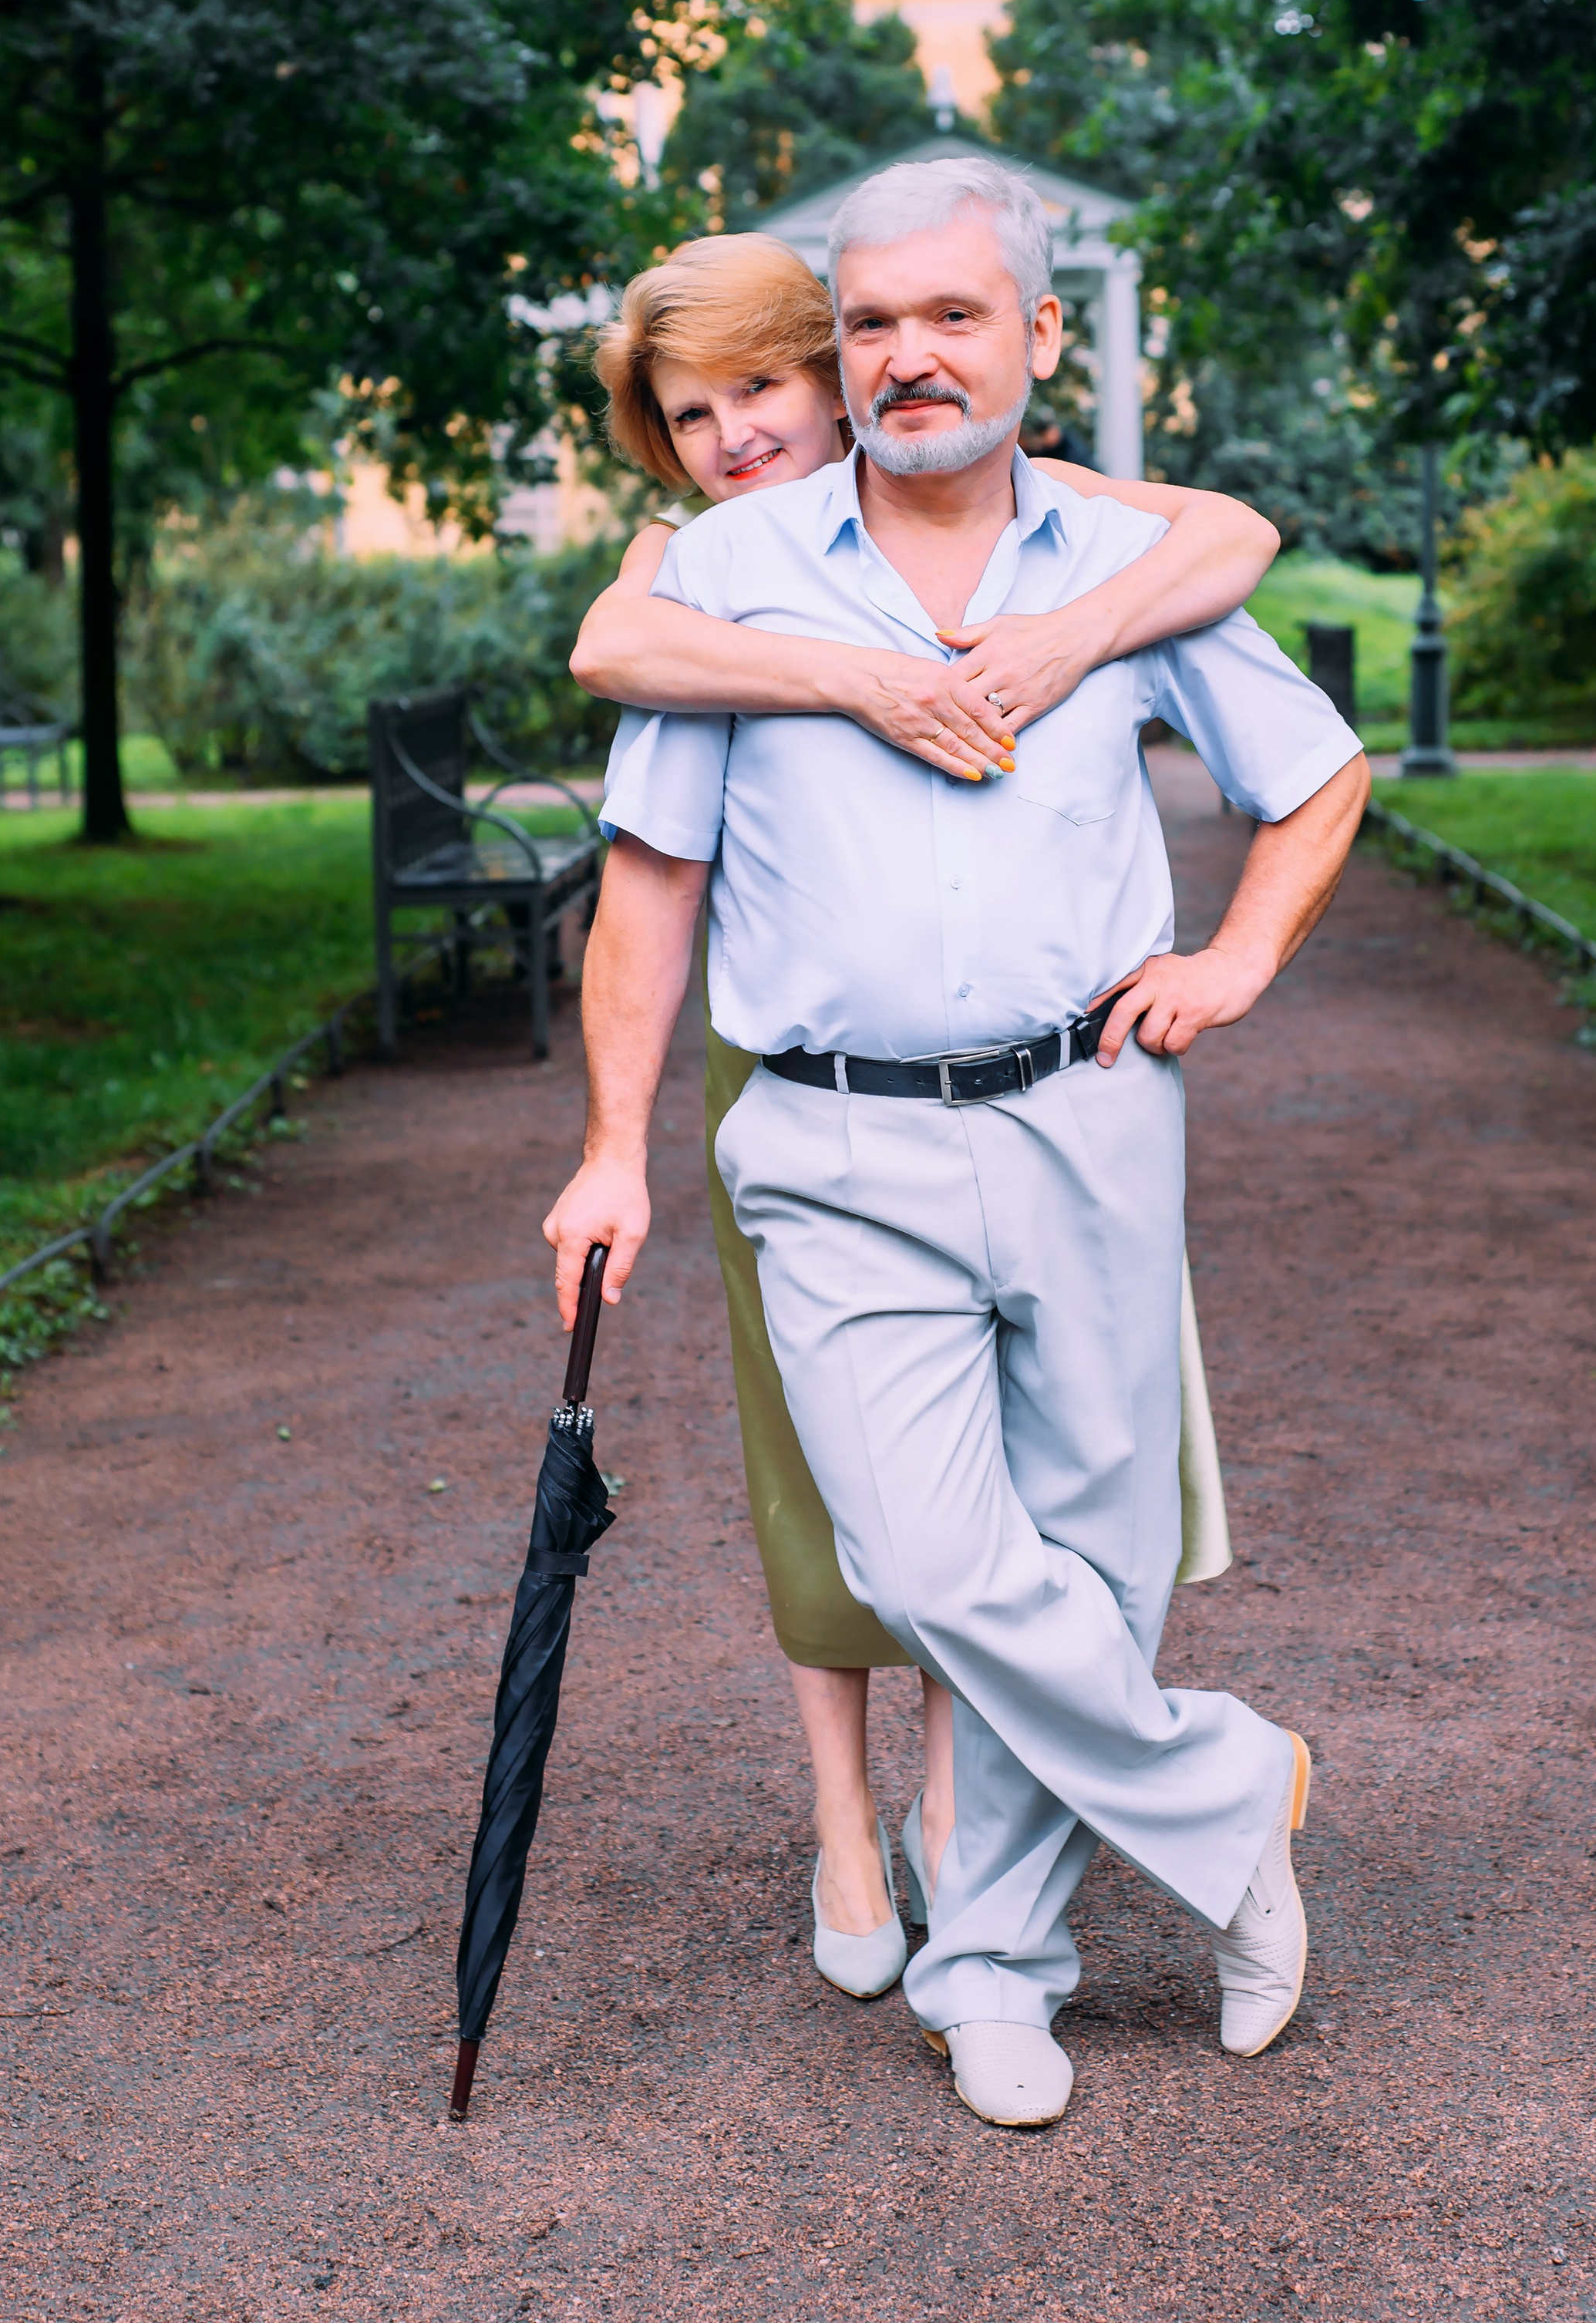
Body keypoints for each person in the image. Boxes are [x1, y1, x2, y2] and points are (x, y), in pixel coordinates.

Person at [546, 158, 1369, 2129]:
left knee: (1091, 1557)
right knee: (923, 1552)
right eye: (873, 326)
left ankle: (995, 1966)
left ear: (1037, 338)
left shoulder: (1128, 563)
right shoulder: (731, 572)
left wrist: (1238, 956)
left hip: (1086, 1110)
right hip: (828, 1144)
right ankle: (1222, 1786)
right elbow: (647, 888)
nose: (907, 357)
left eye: (951, 318)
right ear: (838, 352)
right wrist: (611, 1147)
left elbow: (1314, 769)